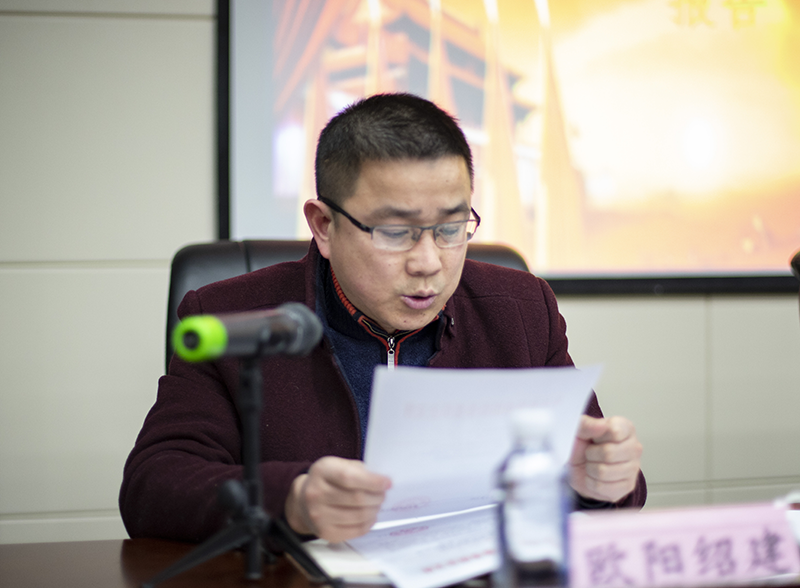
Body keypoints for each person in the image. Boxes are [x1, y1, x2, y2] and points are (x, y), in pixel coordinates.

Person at [120, 93, 645, 545]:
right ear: (323, 225)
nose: (429, 262)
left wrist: (599, 482)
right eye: (395, 233)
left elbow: (601, 474)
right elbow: (153, 487)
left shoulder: (521, 309)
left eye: (451, 228)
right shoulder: (232, 315)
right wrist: (293, 500)